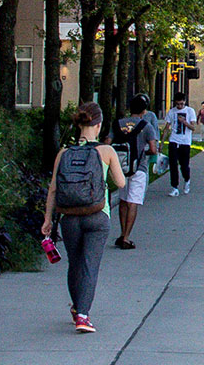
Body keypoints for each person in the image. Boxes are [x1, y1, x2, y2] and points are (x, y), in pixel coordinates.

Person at [41, 102, 127, 333]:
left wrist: (48, 219)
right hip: (98, 216)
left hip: (69, 217)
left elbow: (53, 189)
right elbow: (120, 183)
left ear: (79, 125)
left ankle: (78, 306)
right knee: (90, 266)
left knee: (75, 264)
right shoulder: (106, 152)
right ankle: (83, 315)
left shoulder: (64, 153)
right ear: (98, 125)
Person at [114, 94, 158, 249]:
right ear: (144, 111)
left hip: (122, 167)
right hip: (139, 168)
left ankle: (121, 233)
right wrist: (142, 152)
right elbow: (153, 149)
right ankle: (126, 237)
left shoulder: (118, 124)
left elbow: (108, 142)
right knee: (133, 202)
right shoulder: (146, 126)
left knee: (123, 200)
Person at [164, 92, 199, 197]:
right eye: (177, 104)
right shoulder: (171, 112)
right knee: (173, 164)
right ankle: (174, 187)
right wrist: (161, 142)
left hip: (185, 142)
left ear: (184, 102)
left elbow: (193, 128)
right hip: (174, 140)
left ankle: (187, 179)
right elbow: (167, 127)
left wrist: (184, 122)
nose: (179, 106)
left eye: (181, 104)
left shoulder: (190, 111)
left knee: (184, 165)